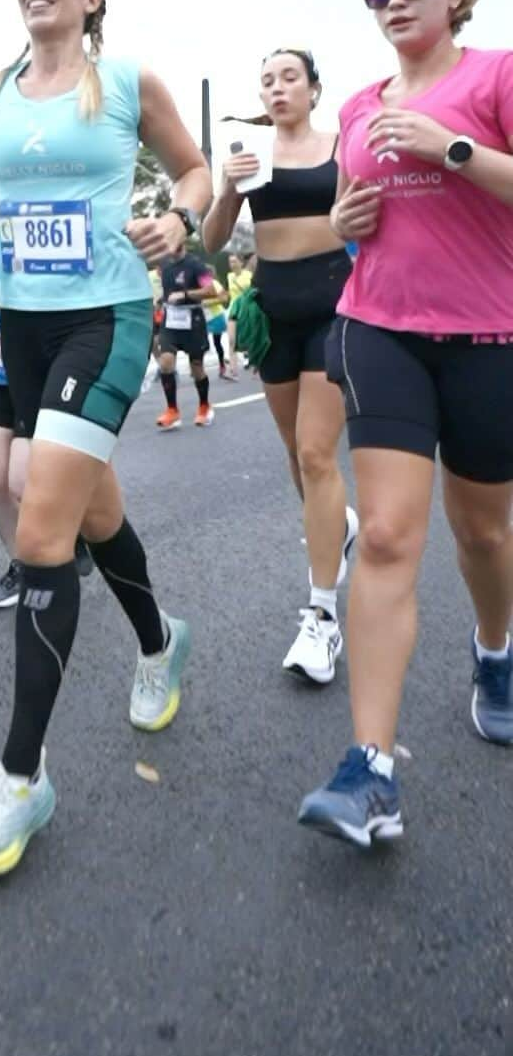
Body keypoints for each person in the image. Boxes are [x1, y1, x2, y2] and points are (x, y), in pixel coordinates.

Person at [0, 0, 211, 875]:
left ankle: (20, 779)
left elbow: (196, 175)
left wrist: (180, 219)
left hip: (108, 317)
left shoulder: (127, 80)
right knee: (94, 510)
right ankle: (161, 642)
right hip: (24, 329)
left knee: (43, 532)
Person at [299, 0, 513, 846]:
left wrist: (455, 145)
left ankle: (496, 651)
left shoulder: (498, 77)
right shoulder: (356, 107)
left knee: (485, 532)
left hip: (489, 338)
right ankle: (370, 770)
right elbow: (351, 213)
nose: (392, 1)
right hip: (379, 329)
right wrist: (344, 218)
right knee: (386, 535)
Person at [203, 50, 358, 685]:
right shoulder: (251, 153)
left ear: (315, 89)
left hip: (333, 302)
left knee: (319, 456)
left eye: (289, 77)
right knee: (296, 454)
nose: (277, 88)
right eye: (267, 80)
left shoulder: (342, 144)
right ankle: (336, 525)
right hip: (273, 309)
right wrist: (227, 190)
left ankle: (322, 616)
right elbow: (213, 240)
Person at [0, 228, 95, 607]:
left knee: (20, 483)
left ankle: (68, 537)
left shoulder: (52, 231)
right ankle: (21, 567)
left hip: (37, 372)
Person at [153, 249, 219, 428]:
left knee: (196, 367)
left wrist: (185, 295)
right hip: (171, 321)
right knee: (166, 362)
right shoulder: (164, 264)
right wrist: (161, 300)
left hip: (193, 320)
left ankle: (204, 406)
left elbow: (211, 290)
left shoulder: (196, 265)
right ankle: (172, 410)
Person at [224, 252, 253, 375]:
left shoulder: (249, 275)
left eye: (235, 261)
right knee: (231, 339)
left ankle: (250, 357)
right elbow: (228, 293)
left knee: (248, 337)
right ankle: (233, 368)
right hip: (233, 308)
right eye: (230, 262)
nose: (232, 264)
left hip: (247, 308)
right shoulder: (229, 276)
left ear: (241, 263)